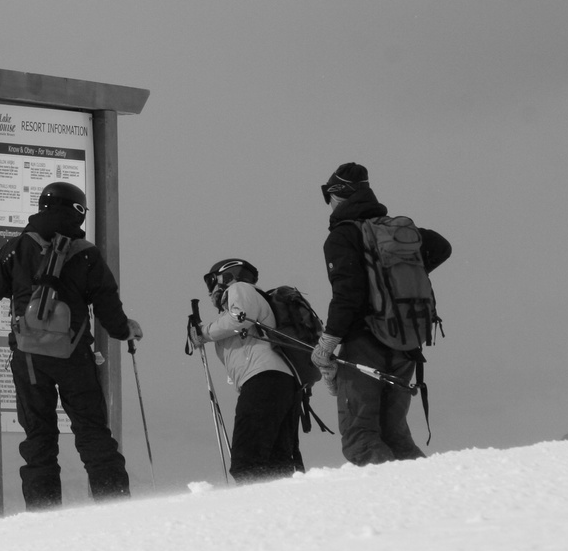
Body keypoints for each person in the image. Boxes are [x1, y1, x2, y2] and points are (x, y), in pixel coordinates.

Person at [0, 181, 140, 509]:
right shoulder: (86, 253)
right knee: (92, 432)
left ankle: (44, 513)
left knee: (39, 438)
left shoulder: (17, 248)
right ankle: (115, 504)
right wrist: (125, 331)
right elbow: (108, 306)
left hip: (30, 360)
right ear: (76, 210)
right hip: (74, 355)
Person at [312, 163, 452, 466]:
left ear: (337, 195)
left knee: (360, 437)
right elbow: (442, 246)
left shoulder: (343, 236)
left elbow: (348, 295)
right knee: (394, 434)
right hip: (406, 341)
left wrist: (327, 342)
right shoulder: (397, 230)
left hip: (365, 343)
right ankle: (435, 500)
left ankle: (396, 508)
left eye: (328, 196)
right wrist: (396, 279)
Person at [189, 258, 304, 482]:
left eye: (211, 281)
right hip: (280, 383)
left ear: (226, 277)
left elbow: (239, 318)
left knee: (247, 461)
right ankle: (279, 509)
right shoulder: (247, 299)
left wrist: (203, 332)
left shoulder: (240, 289)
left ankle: (254, 509)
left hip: (263, 380)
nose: (211, 290)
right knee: (277, 461)